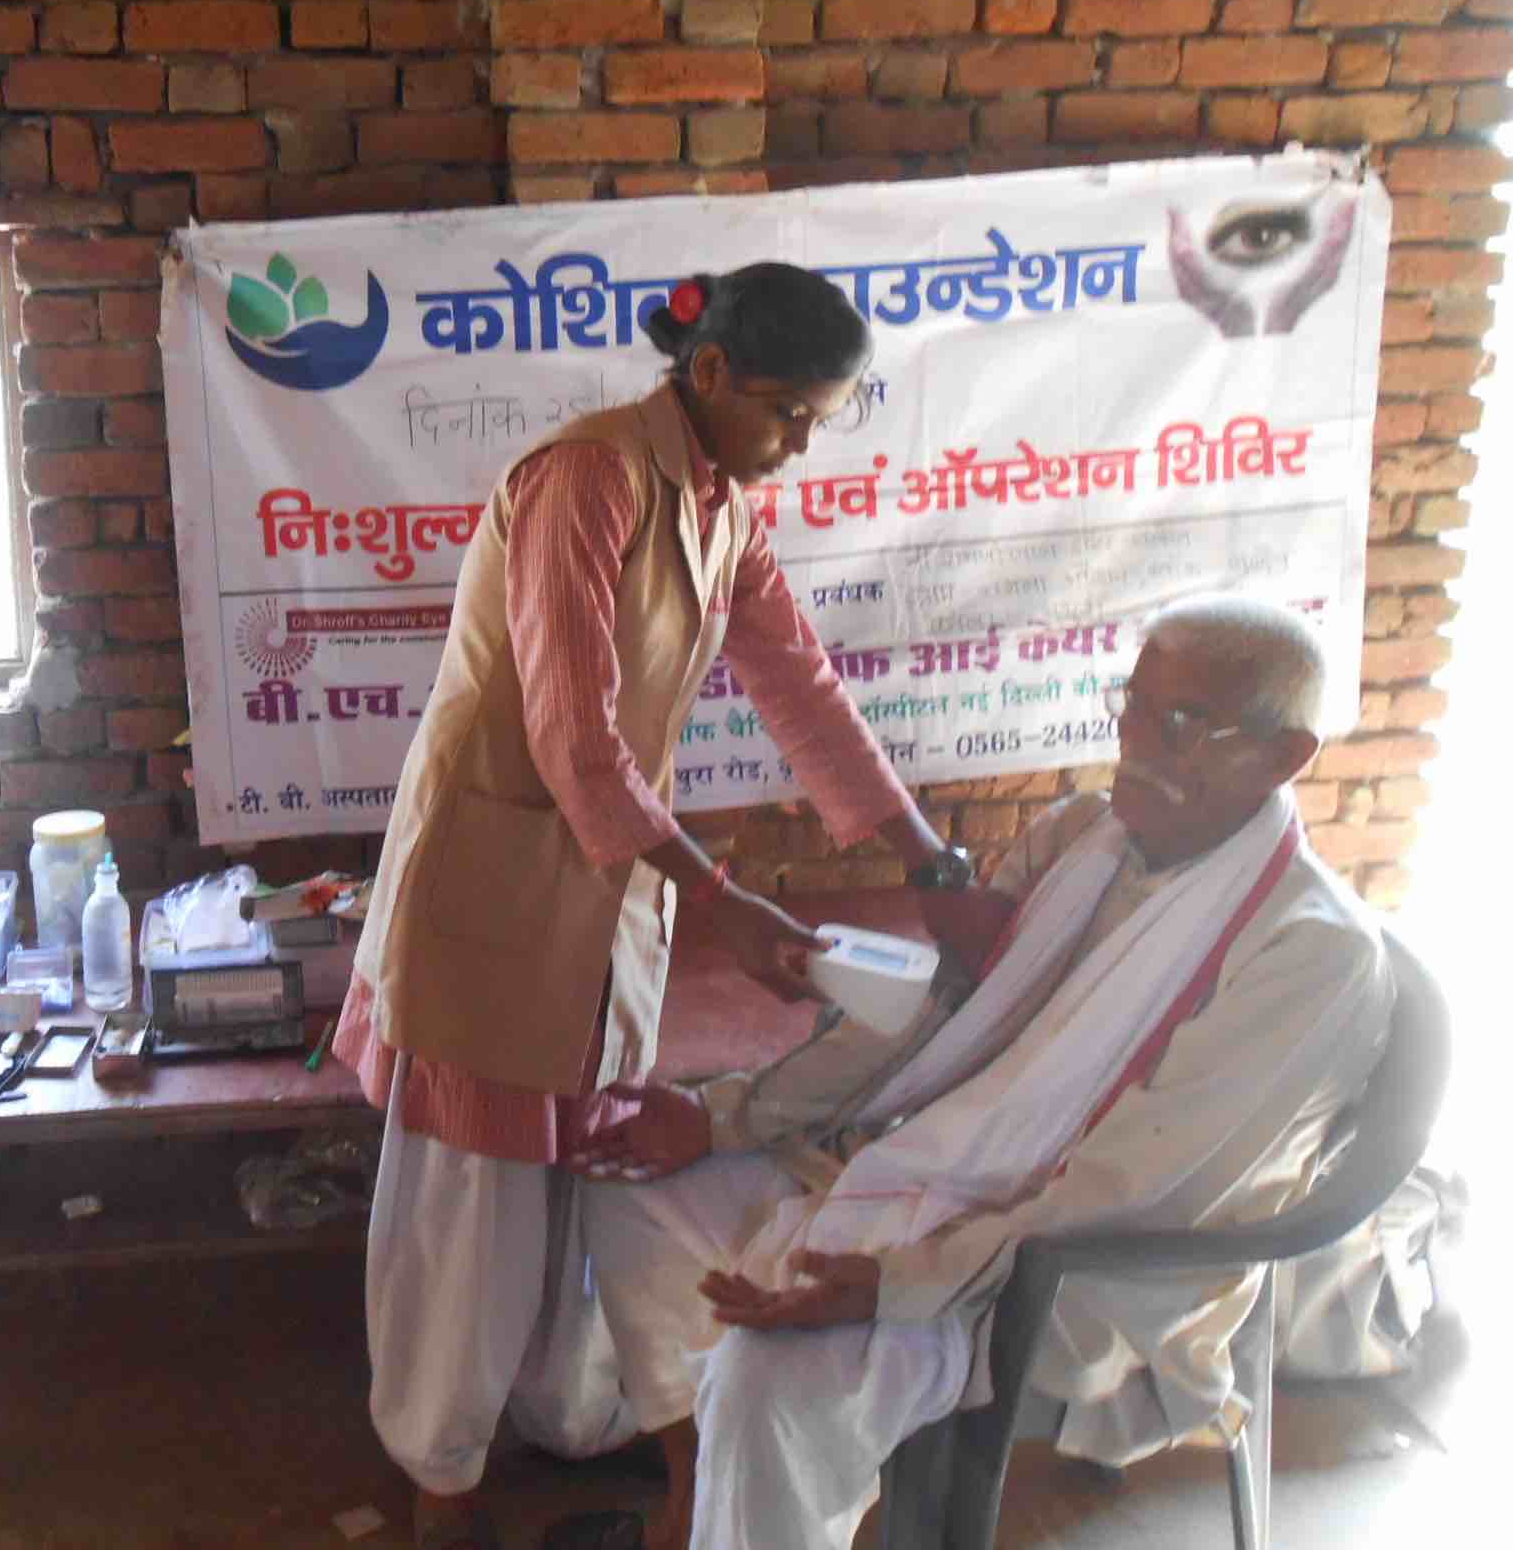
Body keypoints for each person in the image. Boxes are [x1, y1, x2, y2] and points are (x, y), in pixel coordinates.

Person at [328, 263, 972, 1550]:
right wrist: (724, 902)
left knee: (584, 1167)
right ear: (711, 372)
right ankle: (441, 1483)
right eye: (788, 413)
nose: (799, 444)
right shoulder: (590, 479)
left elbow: (799, 684)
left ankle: (558, 1418)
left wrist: (926, 859)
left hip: (606, 881)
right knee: (470, 1208)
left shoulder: (720, 502)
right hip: (490, 878)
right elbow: (573, 738)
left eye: (819, 420)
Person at [573, 595, 1401, 1550]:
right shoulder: (1078, 838)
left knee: (769, 1377)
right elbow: (927, 1018)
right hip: (924, 1171)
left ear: (1285, 756)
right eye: (1133, 705)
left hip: (1072, 1276)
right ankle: (698, 1491)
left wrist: (900, 1282)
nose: (1135, 743)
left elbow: (1132, 1188)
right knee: (630, 1187)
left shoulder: (1309, 954)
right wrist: (721, 1116)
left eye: (1181, 724)